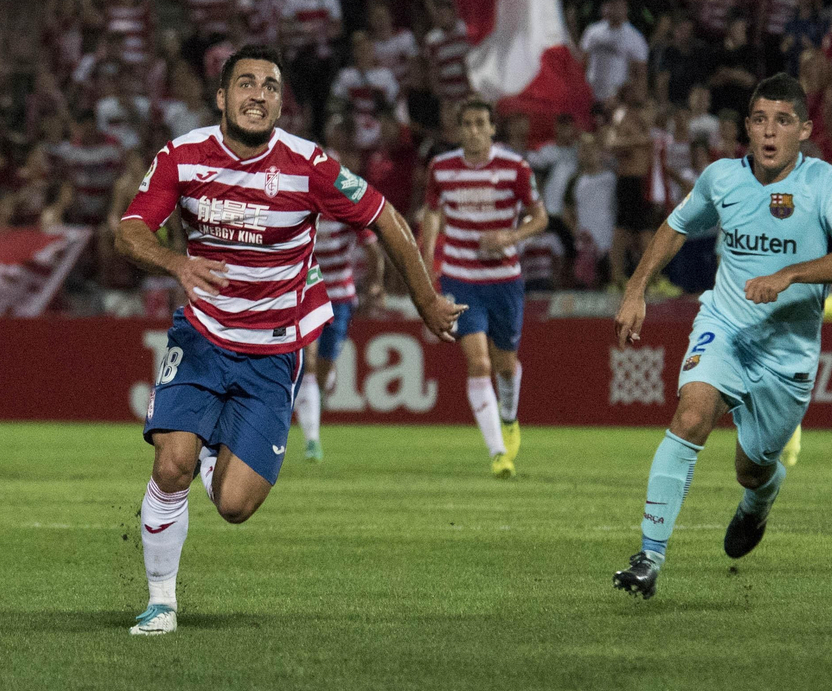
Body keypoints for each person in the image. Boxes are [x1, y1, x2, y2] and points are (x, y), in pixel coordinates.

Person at [116, 47, 463, 635]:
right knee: (169, 465)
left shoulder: (311, 167)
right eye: (245, 83)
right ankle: (161, 603)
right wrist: (177, 264)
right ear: (222, 98)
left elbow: (386, 219)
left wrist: (426, 300)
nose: (258, 94)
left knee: (234, 506)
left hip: (274, 351)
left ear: (281, 102)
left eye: (271, 87)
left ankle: (210, 446)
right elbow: (130, 231)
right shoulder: (182, 156)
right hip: (201, 337)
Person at [611, 73, 832, 598]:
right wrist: (636, 287)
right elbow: (677, 225)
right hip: (724, 327)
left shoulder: (824, 183)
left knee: (752, 471)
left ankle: (759, 501)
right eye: (759, 120)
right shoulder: (722, 178)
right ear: (747, 129)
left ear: (804, 130)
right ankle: (648, 558)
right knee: (690, 415)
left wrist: (791, 274)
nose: (769, 132)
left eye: (782, 121)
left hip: (788, 354)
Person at [419, 101, 549, 479]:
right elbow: (431, 210)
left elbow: (540, 217)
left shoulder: (516, 168)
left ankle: (509, 419)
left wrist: (511, 235)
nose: (473, 130)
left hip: (505, 279)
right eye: (466, 124)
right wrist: (429, 257)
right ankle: (497, 453)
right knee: (479, 363)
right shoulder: (441, 168)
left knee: (506, 364)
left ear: (493, 129)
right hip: (460, 278)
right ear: (459, 130)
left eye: (480, 124)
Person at [293, 211, 384, 463]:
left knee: (323, 368)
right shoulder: (302, 209)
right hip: (306, 297)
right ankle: (312, 439)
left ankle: (315, 402)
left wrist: (375, 284)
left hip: (339, 298)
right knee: (309, 362)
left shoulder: (343, 213)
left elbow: (372, 248)